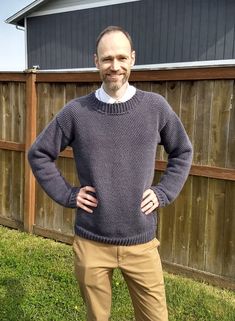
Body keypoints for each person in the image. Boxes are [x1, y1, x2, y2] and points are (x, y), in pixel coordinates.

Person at [28, 26, 193, 321]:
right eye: (106, 59)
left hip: (141, 243)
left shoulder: (156, 108)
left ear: (132, 59)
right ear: (96, 61)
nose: (114, 66)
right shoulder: (76, 112)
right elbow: (38, 153)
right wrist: (69, 194)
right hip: (92, 242)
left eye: (120, 58)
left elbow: (182, 151)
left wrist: (163, 192)